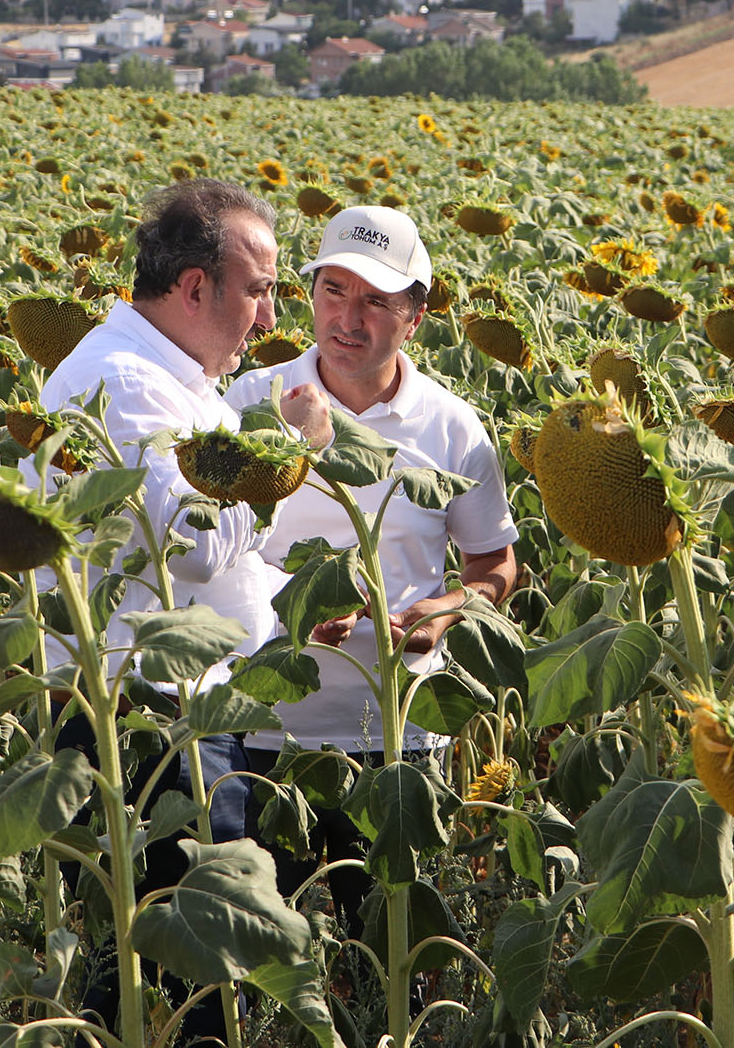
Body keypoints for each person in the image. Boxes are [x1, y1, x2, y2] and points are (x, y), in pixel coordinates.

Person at [37, 178, 330, 1044]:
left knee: (161, 960)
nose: (271, 314)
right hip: (150, 719)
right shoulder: (123, 382)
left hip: (183, 710)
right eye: (259, 288)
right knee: (184, 969)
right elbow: (193, 543)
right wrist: (294, 452)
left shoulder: (175, 375)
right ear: (195, 287)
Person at [225, 204, 519, 938]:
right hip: (266, 733)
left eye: (376, 302)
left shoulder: (452, 427)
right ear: (309, 293)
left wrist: (445, 609)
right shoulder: (247, 404)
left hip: (399, 739)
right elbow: (211, 551)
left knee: (393, 951)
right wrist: (284, 612)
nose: (347, 318)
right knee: (264, 956)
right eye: (333, 291)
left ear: (414, 315)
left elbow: (495, 565)